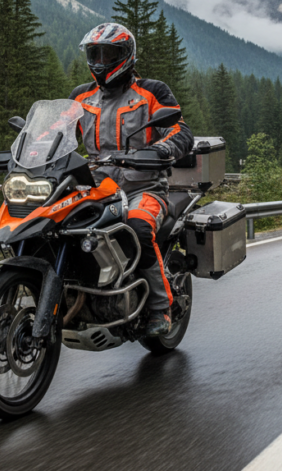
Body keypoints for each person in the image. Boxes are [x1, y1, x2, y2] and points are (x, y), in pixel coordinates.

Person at [69, 23, 193, 337]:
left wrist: (161, 148)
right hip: (96, 188)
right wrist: (37, 147)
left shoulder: (152, 91)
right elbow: (59, 134)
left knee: (137, 227)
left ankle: (159, 309)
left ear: (126, 55)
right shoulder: (81, 96)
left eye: (108, 53)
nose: (100, 59)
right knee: (61, 225)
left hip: (144, 187)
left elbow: (180, 130)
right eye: (94, 52)